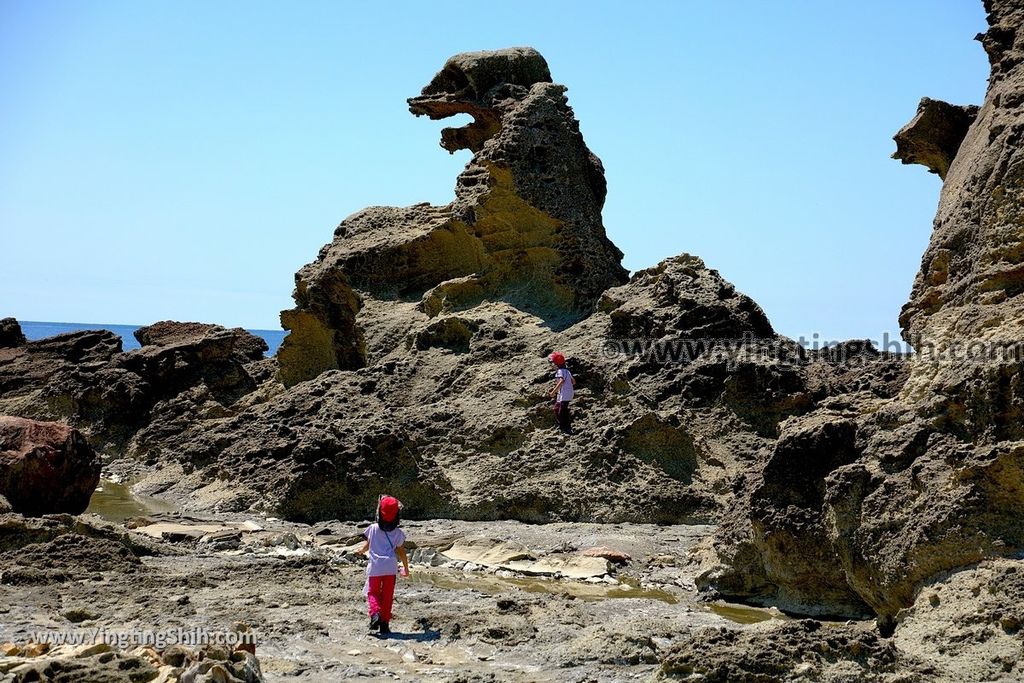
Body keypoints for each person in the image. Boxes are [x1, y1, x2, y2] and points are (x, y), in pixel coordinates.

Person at [357, 495, 410, 635]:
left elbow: (367, 545)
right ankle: (385, 624)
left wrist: (360, 551)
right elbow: (402, 553)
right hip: (390, 568)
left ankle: (375, 613)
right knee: (387, 596)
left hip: (375, 567)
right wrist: (406, 568)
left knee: (373, 592)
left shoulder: (373, 528)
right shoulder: (398, 533)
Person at [548, 351, 575, 433]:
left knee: (562, 411)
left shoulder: (560, 371)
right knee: (557, 408)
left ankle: (565, 427)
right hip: (566, 393)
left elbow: (561, 381)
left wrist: (553, 391)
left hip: (564, 394)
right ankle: (563, 425)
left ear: (556, 364)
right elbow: (573, 382)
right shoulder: (567, 371)